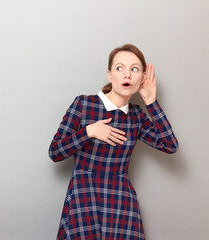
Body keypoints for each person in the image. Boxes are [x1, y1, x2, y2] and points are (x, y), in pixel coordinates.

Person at [48, 44, 179, 240]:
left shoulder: (137, 115)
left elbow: (170, 145)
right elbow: (55, 152)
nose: (127, 75)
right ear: (109, 75)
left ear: (142, 78)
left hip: (120, 200)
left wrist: (151, 102)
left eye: (134, 69)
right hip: (84, 195)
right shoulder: (84, 104)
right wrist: (89, 131)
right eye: (120, 68)